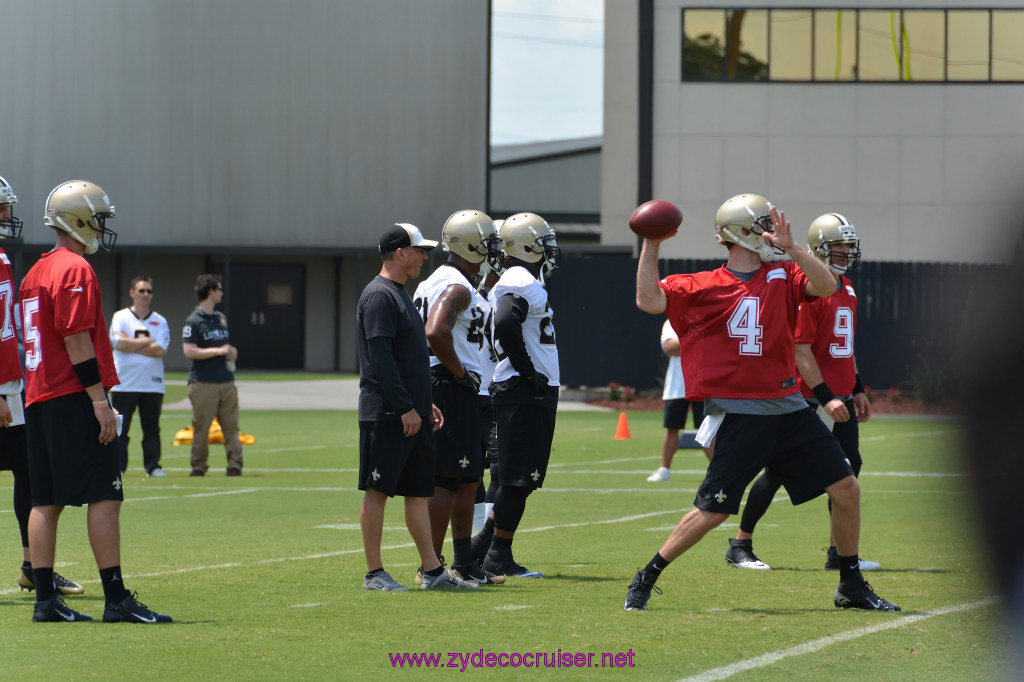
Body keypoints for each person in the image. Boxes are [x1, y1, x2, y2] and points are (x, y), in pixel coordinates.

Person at [623, 193, 898, 612]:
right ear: (740, 234)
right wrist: (652, 243)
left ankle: (851, 585)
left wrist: (794, 248)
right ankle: (647, 576)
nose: (773, 232)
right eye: (764, 226)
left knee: (847, 488)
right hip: (742, 415)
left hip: (789, 407)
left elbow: (826, 285)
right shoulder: (702, 284)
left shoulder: (785, 274)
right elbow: (648, 301)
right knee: (713, 511)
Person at [19, 179, 170, 622]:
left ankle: (45, 601)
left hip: (38, 395)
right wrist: (99, 401)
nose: (102, 228)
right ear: (79, 218)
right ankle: (116, 598)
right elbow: (76, 339)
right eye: (99, 219)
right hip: (71, 395)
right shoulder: (74, 268)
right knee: (106, 493)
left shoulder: (35, 270)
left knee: (45, 500)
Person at [726, 213, 880, 571]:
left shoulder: (849, 289)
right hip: (813, 397)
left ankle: (837, 553)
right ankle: (740, 543)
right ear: (819, 249)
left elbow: (845, 347)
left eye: (848, 246)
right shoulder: (813, 293)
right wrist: (826, 395)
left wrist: (857, 388)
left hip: (840, 395)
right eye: (838, 246)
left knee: (849, 470)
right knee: (779, 472)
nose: (846, 253)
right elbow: (801, 350)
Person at [357, 222, 476, 591]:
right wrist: (406, 407)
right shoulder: (379, 296)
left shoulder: (400, 293)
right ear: (399, 253)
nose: (425, 257)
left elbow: (410, 358)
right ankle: (375, 573)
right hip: (388, 413)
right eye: (419, 250)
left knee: (417, 493)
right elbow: (381, 359)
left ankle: (433, 571)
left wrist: (425, 406)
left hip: (413, 411)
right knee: (377, 491)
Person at [0, 176, 85, 597]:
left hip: (14, 388)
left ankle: (33, 566)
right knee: (34, 474)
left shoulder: (4, 257)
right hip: (4, 390)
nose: (8, 217)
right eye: (2, 209)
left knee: (32, 473)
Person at [412, 210, 504, 585]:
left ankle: (464, 563)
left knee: (466, 479)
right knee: (447, 479)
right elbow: (436, 331)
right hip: (450, 385)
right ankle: (430, 568)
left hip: (449, 384)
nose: (492, 251)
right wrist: (460, 373)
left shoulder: (443, 281)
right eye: (487, 244)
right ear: (471, 245)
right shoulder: (456, 286)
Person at [471, 212, 561, 580]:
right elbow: (508, 321)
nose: (550, 248)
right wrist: (527, 371)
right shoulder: (519, 279)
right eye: (543, 241)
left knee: (519, 479)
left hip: (524, 389)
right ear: (527, 245)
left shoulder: (518, 278)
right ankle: (495, 556)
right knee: (517, 480)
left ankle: (483, 550)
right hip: (521, 390)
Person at [109, 276, 170, 477]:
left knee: (151, 429)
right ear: (132, 293)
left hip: (152, 385)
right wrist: (146, 342)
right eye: (141, 290)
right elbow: (118, 343)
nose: (145, 295)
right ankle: (118, 467)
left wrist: (131, 343)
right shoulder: (120, 317)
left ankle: (153, 466)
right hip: (124, 383)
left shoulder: (160, 320)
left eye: (149, 291)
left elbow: (160, 350)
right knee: (121, 429)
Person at [182, 274, 242, 476]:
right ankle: (198, 466)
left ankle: (235, 465)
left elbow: (225, 347)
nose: (222, 293)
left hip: (226, 381)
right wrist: (218, 351)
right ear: (210, 292)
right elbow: (189, 351)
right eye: (219, 289)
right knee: (202, 427)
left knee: (231, 427)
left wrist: (231, 351)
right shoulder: (193, 321)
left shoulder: (221, 318)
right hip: (203, 384)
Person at [646, 319, 712, 482]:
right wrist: (695, 338)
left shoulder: (705, 318)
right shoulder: (672, 322)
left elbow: (709, 345)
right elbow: (669, 347)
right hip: (677, 386)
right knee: (672, 428)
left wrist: (684, 341)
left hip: (700, 385)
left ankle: (718, 471)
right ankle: (664, 470)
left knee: (707, 430)